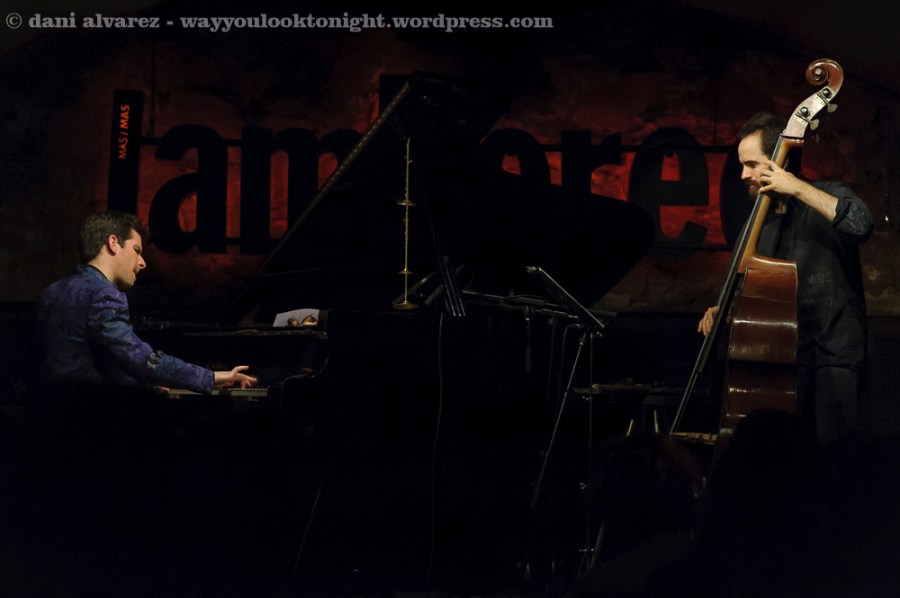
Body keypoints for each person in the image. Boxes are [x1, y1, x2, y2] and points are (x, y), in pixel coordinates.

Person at [698, 112, 873, 444]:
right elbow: (750, 296)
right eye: (742, 165)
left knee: (835, 457)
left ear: (781, 161)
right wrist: (725, 310)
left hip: (832, 360)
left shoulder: (826, 194)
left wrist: (797, 187)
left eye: (752, 164)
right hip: (782, 365)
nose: (743, 174)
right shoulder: (756, 225)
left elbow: (860, 224)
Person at [34, 210, 257, 396]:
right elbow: (139, 359)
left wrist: (141, 385)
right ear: (113, 243)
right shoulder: (104, 293)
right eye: (137, 250)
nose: (142, 263)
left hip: (48, 416)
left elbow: (91, 362)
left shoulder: (51, 291)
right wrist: (211, 377)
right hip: (90, 418)